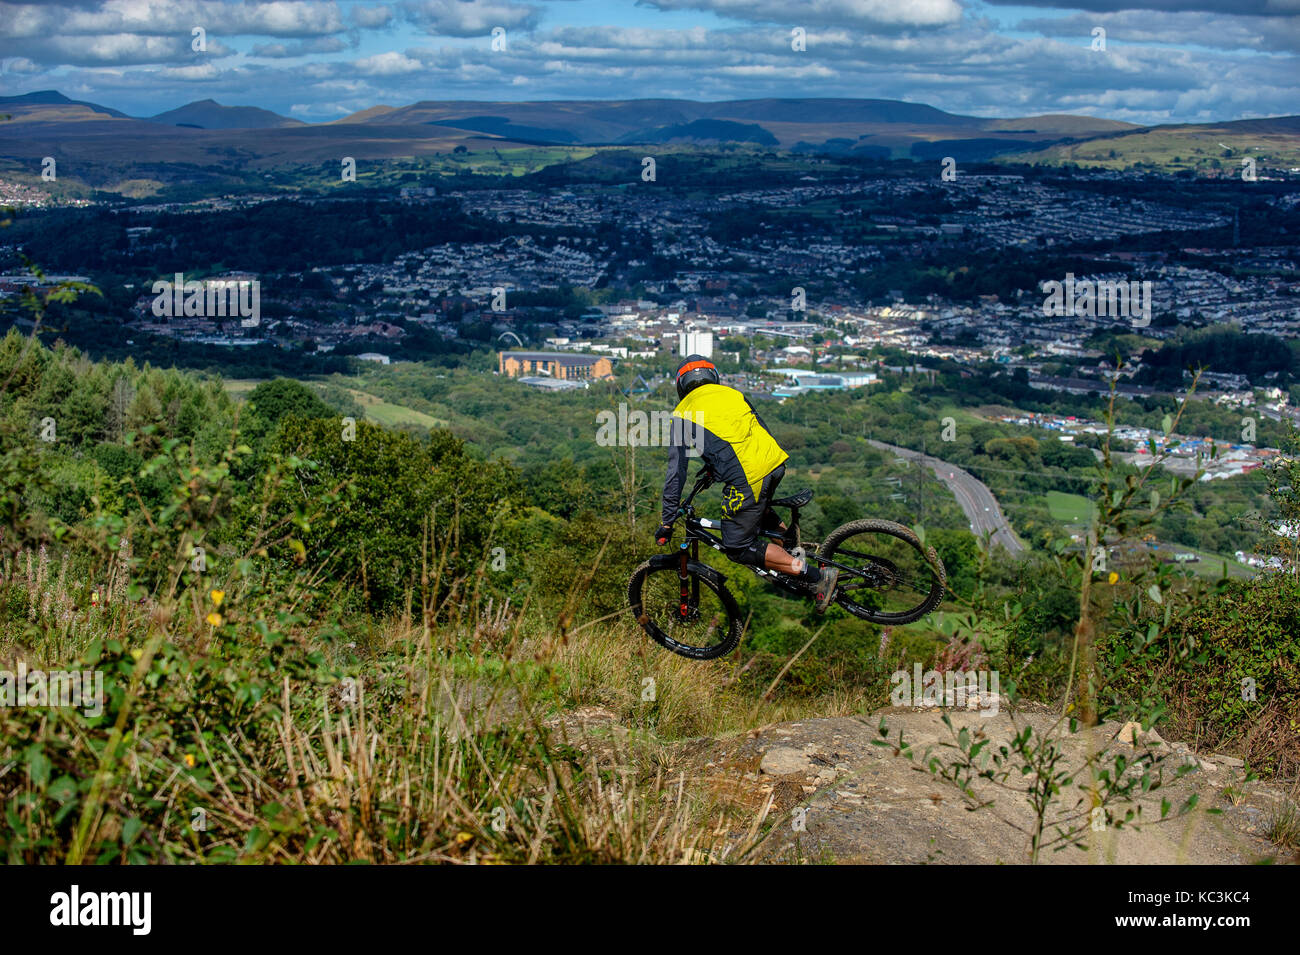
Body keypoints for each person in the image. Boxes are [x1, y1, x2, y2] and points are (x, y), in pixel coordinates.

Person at [656, 354, 838, 612]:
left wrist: (666, 520)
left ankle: (816, 578)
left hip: (749, 476)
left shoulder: (682, 413)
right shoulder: (733, 395)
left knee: (737, 547)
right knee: (756, 509)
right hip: (774, 462)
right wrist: (716, 466)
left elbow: (676, 473)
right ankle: (791, 549)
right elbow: (757, 429)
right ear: (713, 377)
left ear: (681, 385)